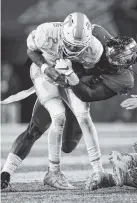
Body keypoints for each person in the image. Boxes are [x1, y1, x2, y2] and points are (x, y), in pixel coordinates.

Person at [1, 20, 137, 190]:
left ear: (124, 64)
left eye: (113, 60)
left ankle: (96, 172)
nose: (107, 59)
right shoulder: (97, 36)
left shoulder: (123, 80)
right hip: (57, 78)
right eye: (109, 53)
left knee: (68, 145)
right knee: (36, 127)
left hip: (78, 88)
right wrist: (48, 68)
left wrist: (71, 75)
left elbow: (88, 94)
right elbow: (54, 42)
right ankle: (7, 173)